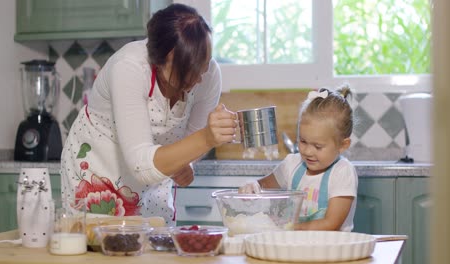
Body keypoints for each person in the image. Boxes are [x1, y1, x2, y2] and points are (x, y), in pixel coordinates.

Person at [60, 3, 237, 225]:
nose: (199, 78)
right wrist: (206, 138)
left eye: (202, 65)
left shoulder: (208, 74)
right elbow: (141, 164)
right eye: (188, 71)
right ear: (161, 60)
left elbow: (189, 141)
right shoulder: (129, 67)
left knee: (154, 248)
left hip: (154, 176)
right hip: (98, 170)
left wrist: (188, 164)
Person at [239, 85, 358, 231]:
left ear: (343, 144)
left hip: (331, 250)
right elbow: (262, 186)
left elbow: (331, 224)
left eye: (318, 146)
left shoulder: (342, 172)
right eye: (302, 141)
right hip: (297, 248)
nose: (307, 151)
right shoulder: (292, 164)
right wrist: (252, 186)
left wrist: (289, 229)